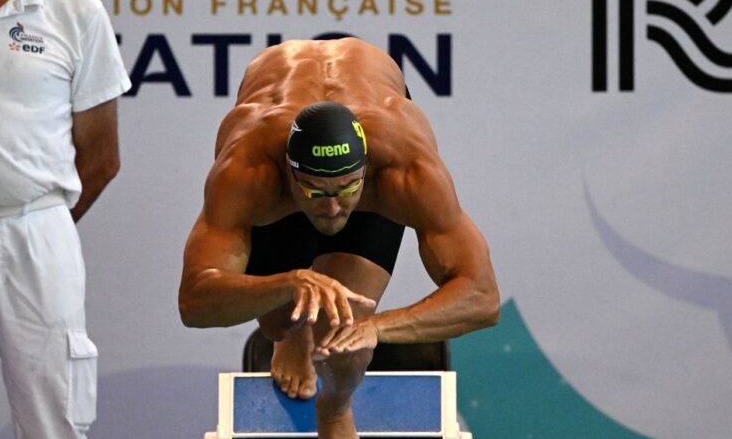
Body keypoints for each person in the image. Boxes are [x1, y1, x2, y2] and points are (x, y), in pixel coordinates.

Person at [178, 37, 499, 439]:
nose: (332, 209)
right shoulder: (250, 171)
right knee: (282, 319)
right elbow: (194, 302)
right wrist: (289, 283)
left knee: (342, 325)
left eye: (346, 190)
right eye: (315, 192)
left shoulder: (402, 168)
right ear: (288, 176)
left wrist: (377, 328)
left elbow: (483, 297)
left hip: (374, 130)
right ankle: (291, 333)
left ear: (366, 173)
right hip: (271, 127)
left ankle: (335, 407)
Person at [0, 0, 130, 437]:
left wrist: (38, 227)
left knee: (55, 415)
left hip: (40, 228)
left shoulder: (74, 7)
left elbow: (102, 158)